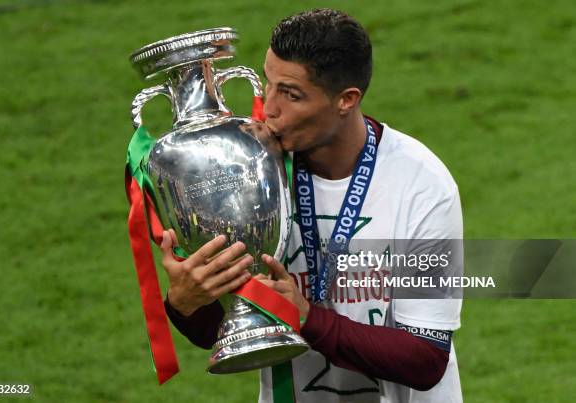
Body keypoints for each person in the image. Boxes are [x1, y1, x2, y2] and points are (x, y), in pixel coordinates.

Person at [161, 8, 463, 403]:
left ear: (346, 99)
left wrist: (305, 317)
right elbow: (222, 331)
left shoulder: (422, 186)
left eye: (291, 94)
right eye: (268, 83)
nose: (268, 109)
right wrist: (187, 303)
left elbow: (425, 359)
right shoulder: (250, 173)